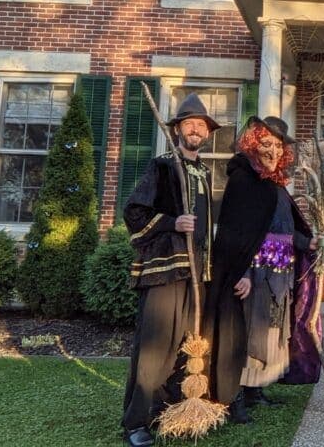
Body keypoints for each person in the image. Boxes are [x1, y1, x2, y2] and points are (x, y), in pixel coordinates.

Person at [205, 116, 321, 426]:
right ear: (254, 145)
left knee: (269, 333)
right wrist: (240, 272)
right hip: (253, 273)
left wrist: (307, 242)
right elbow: (235, 233)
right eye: (266, 144)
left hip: (279, 274)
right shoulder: (244, 181)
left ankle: (255, 390)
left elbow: (282, 228)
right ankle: (235, 397)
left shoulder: (275, 186)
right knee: (247, 333)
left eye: (278, 146)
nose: (273, 151)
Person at [121, 93, 219, 447]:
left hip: (196, 275)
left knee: (186, 346)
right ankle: (135, 422)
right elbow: (133, 212)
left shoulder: (205, 173)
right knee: (154, 347)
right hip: (165, 271)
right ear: (177, 129)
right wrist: (173, 222)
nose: (196, 130)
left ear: (208, 133)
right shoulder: (162, 166)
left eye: (202, 125)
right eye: (189, 124)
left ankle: (172, 411)